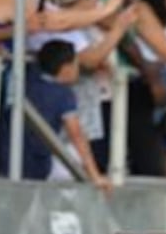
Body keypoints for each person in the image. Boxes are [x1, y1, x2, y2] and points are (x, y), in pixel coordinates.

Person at [24, 39, 112, 192]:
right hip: (39, 161)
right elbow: (76, 134)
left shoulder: (30, 80)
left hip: (10, 155)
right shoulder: (63, 95)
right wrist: (94, 175)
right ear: (66, 69)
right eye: (76, 65)